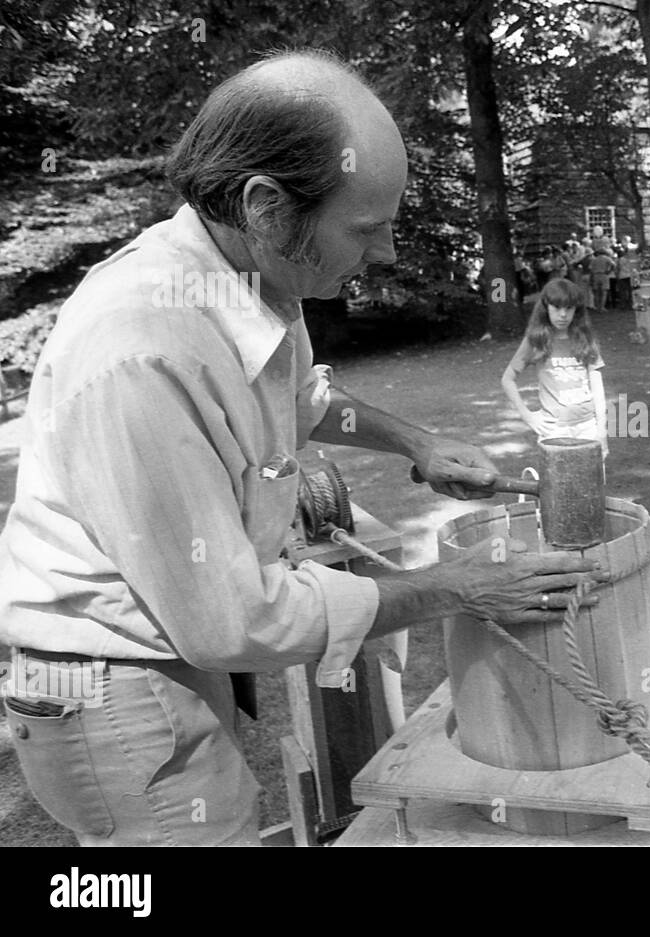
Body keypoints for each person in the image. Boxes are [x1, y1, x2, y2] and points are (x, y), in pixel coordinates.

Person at [0, 51, 604, 847]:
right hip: (108, 683)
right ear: (265, 205)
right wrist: (456, 588)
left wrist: (414, 441)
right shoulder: (143, 348)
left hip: (164, 654)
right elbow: (231, 617)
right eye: (366, 227)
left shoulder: (249, 279)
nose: (386, 250)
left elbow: (300, 397)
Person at [502, 277, 608, 455]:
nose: (563, 315)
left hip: (588, 427)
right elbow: (508, 379)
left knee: (593, 480)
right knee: (557, 481)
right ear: (546, 308)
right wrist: (527, 415)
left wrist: (602, 429)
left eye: (569, 308)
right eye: (557, 308)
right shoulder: (536, 340)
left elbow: (598, 387)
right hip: (554, 430)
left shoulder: (586, 339)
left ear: (577, 310)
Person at [588, 247, 616, 314]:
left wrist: (591, 278)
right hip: (604, 275)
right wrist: (609, 271)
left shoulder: (594, 259)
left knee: (597, 292)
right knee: (604, 292)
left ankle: (598, 307)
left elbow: (590, 269)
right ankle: (602, 307)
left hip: (596, 275)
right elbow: (614, 265)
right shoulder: (607, 258)